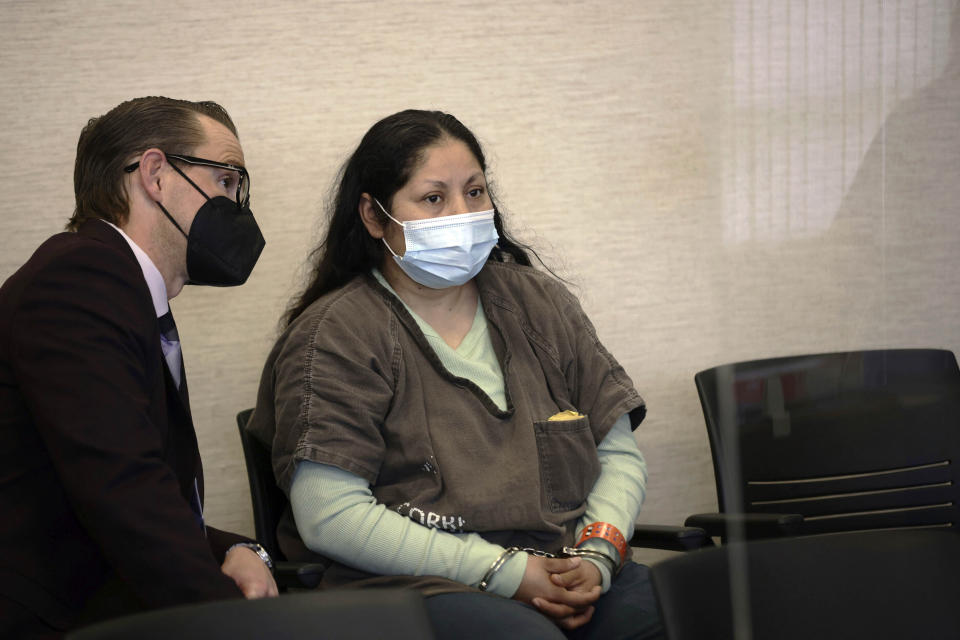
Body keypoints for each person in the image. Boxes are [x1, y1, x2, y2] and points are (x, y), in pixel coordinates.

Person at [247, 109, 661, 639]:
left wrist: (599, 554)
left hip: (563, 563)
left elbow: (616, 450)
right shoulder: (336, 334)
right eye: (434, 198)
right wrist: (508, 574)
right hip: (417, 587)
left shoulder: (539, 303)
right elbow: (330, 515)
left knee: (680, 608)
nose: (461, 214)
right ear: (374, 217)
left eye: (475, 192)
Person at [0, 97, 277, 639]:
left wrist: (235, 548)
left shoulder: (119, 287)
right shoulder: (80, 279)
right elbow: (124, 492)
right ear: (154, 173)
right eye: (225, 181)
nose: (236, 207)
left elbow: (144, 489)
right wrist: (235, 623)